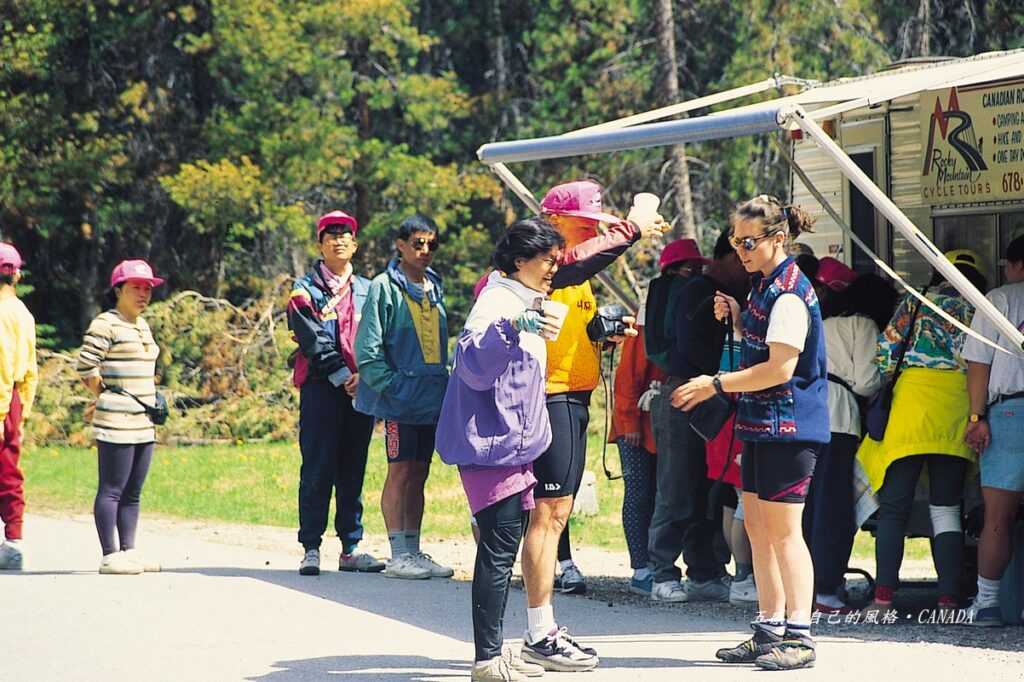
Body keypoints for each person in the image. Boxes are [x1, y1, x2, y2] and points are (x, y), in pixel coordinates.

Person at [673, 195, 825, 671]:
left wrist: (713, 383)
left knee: (785, 535)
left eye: (748, 241)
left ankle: (799, 636)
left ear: (778, 239)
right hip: (762, 425)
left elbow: (779, 369)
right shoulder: (763, 287)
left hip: (790, 427)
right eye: (736, 241)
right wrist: (740, 320)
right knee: (758, 530)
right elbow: (760, 357)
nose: (739, 250)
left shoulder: (788, 293)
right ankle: (768, 629)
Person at [519, 179, 662, 669]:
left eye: (594, 227)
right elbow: (569, 268)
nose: (589, 233)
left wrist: (602, 332)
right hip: (547, 397)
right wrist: (633, 228)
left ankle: (543, 626)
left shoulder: (577, 275)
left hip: (574, 397)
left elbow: (570, 327)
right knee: (546, 513)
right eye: (583, 224)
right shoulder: (545, 265)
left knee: (555, 511)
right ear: (555, 222)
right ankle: (539, 630)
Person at [437, 217, 570, 680]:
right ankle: (487, 660)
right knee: (496, 551)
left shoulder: (523, 299)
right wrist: (514, 327)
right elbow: (473, 364)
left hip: (510, 448)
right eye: (548, 259)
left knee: (501, 547)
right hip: (489, 447)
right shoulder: (496, 301)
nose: (555, 267)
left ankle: (494, 652)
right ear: (520, 260)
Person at [856, 250, 986, 618]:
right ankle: (947, 599)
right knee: (946, 509)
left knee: (894, 509)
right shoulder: (978, 309)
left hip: (910, 409)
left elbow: (885, 351)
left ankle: (883, 599)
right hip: (955, 410)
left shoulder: (915, 302)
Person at [647, 229, 748, 604]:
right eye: (741, 258)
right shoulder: (698, 292)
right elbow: (691, 349)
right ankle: (661, 572)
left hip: (717, 396)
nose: (745, 268)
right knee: (677, 486)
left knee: (710, 488)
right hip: (686, 394)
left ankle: (704, 570)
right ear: (728, 258)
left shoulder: (734, 295)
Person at [355, 214, 452, 580]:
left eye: (431, 244)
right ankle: (398, 555)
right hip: (399, 400)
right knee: (399, 471)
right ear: (400, 245)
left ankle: (414, 550)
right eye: (417, 243)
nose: (425, 251)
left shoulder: (435, 286)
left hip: (430, 398)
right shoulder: (383, 286)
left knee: (420, 472)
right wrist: (394, 387)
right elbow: (367, 350)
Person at [287, 210, 383, 576]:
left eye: (345, 234)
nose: (339, 239)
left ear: (355, 244)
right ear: (320, 244)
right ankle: (311, 547)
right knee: (317, 466)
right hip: (321, 388)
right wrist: (344, 374)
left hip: (362, 389)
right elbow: (312, 338)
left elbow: (379, 336)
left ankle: (351, 546)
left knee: (353, 467)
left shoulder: (369, 290)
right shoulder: (304, 289)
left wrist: (367, 375)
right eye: (331, 234)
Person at [802, 271, 897, 613]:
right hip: (839, 416)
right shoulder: (863, 326)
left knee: (806, 506)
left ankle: (803, 587)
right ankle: (825, 589)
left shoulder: (820, 323)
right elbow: (866, 382)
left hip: (805, 412)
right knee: (833, 507)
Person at [76, 259, 165, 575]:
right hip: (116, 420)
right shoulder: (105, 324)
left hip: (144, 421)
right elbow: (86, 366)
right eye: (135, 288)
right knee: (112, 488)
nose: (143, 294)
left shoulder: (142, 325)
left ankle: (129, 550)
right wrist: (107, 396)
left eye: (147, 288)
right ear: (118, 290)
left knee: (133, 491)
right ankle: (109, 554)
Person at [962, 235, 1024, 627]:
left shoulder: (998, 300)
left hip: (1009, 415)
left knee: (998, 518)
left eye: (1007, 264)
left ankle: (986, 604)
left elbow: (978, 363)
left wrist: (975, 417)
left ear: (1018, 265)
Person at [607, 294, 664, 596]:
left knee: (656, 493)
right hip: (635, 426)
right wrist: (629, 424)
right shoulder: (641, 330)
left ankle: (654, 563)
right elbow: (627, 379)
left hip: (656, 423)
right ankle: (640, 568)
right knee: (639, 492)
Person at [0, 243, 37, 571]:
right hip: (13, 397)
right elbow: (29, 368)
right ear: (17, 274)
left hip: (0, 398)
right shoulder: (23, 313)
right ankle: (14, 540)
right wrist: (21, 409)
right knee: (9, 471)